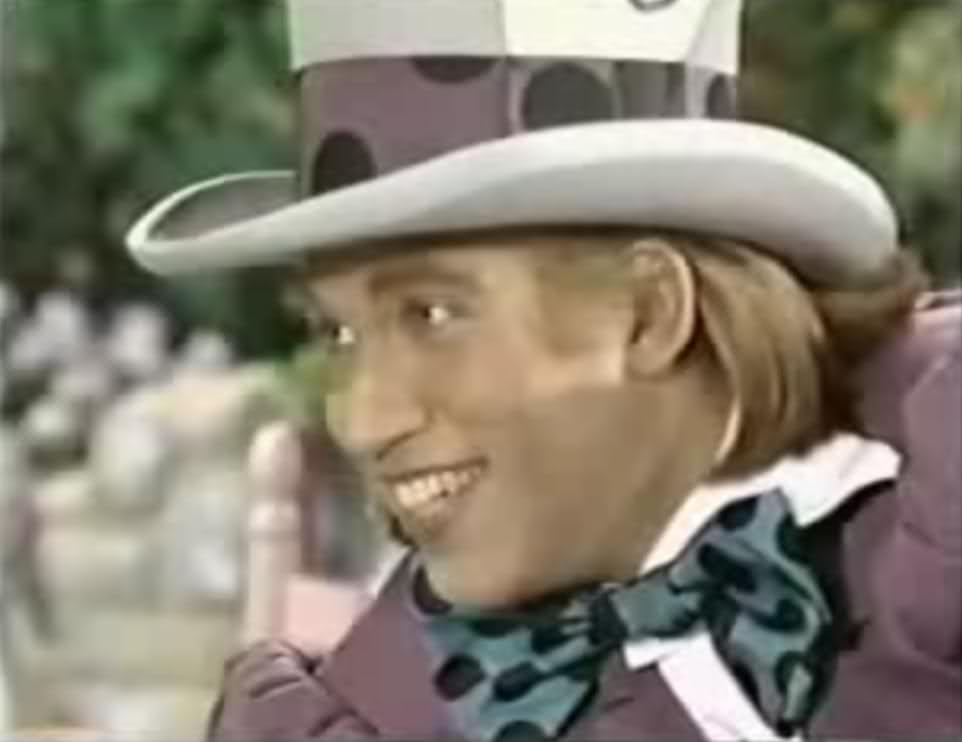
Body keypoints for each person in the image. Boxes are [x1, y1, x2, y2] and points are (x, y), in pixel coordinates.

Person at [125, 1, 961, 739]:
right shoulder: (391, 706)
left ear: (650, 312)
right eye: (339, 333)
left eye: (433, 314)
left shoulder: (935, 486)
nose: (362, 421)